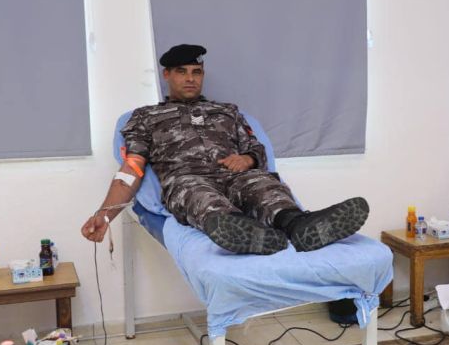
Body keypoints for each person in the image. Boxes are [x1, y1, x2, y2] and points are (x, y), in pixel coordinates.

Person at [81, 44, 369, 254]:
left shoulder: (228, 112)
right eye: (182, 72)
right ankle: (243, 231)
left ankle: (298, 225)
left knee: (263, 184)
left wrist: (247, 159)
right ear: (167, 75)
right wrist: (104, 215)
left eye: (197, 72)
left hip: (236, 178)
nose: (191, 78)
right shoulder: (145, 117)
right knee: (200, 196)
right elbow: (131, 167)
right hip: (188, 181)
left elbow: (256, 147)